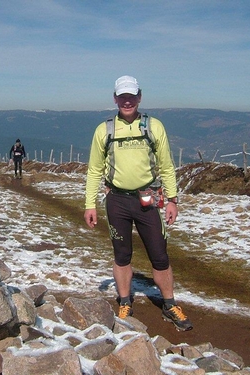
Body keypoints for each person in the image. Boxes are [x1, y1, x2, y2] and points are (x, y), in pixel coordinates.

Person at [83, 75, 192, 331]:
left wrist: (173, 200)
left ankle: (169, 304)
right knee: (122, 256)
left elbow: (166, 165)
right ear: (115, 98)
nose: (127, 101)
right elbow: (94, 170)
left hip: (148, 201)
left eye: (132, 96)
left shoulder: (153, 127)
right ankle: (124, 301)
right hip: (117, 201)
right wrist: (90, 204)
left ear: (140, 96)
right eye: (123, 97)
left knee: (160, 255)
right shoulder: (105, 130)